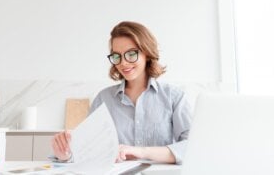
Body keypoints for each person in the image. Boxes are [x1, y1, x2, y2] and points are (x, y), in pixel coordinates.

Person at [52, 21, 191, 164]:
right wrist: (66, 155)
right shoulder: (103, 99)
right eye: (117, 56)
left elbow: (192, 147)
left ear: (147, 53)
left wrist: (142, 152)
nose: (123, 62)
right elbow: (88, 152)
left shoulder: (173, 97)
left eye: (131, 54)